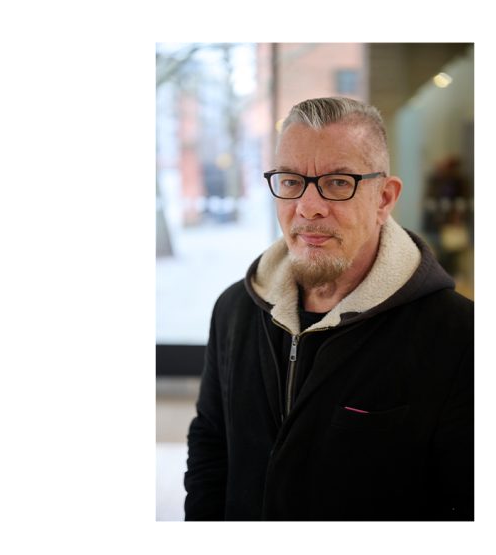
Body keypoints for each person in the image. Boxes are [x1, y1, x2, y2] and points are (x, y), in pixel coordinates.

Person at [184, 97, 474, 521]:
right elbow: (212, 441)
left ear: (385, 198)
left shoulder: (459, 337)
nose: (308, 206)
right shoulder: (235, 311)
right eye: (290, 181)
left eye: (338, 182)